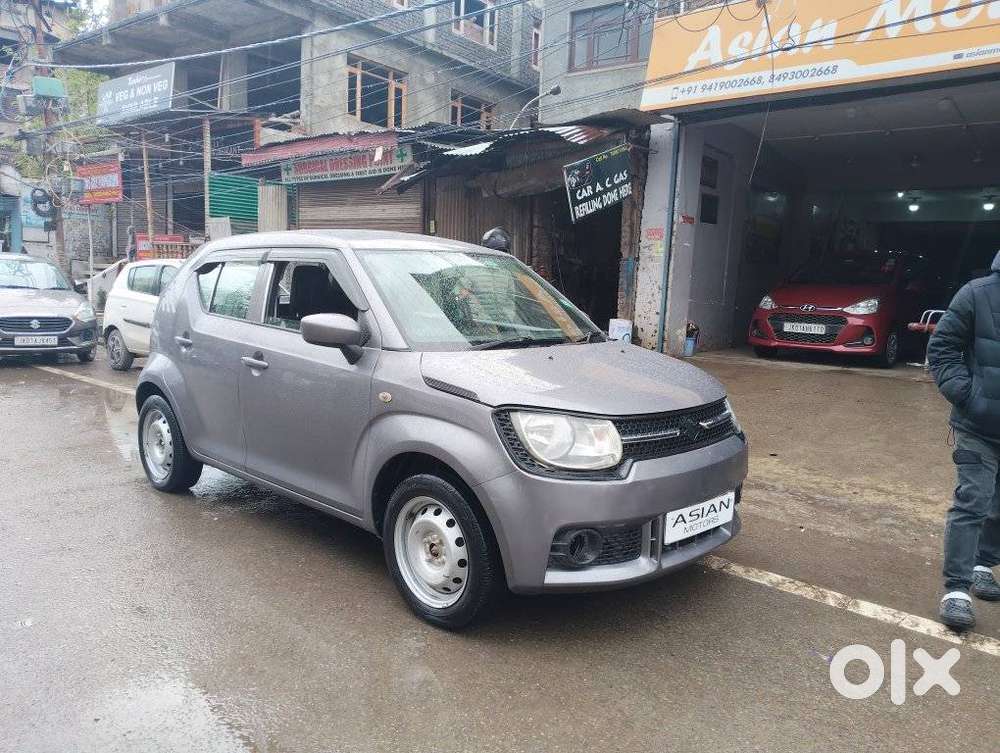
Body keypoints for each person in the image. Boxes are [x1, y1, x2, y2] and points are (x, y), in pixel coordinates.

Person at [927, 250, 1000, 630]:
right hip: (978, 425)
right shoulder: (976, 294)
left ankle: (982, 564)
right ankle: (956, 589)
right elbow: (941, 351)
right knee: (974, 501)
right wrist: (969, 396)